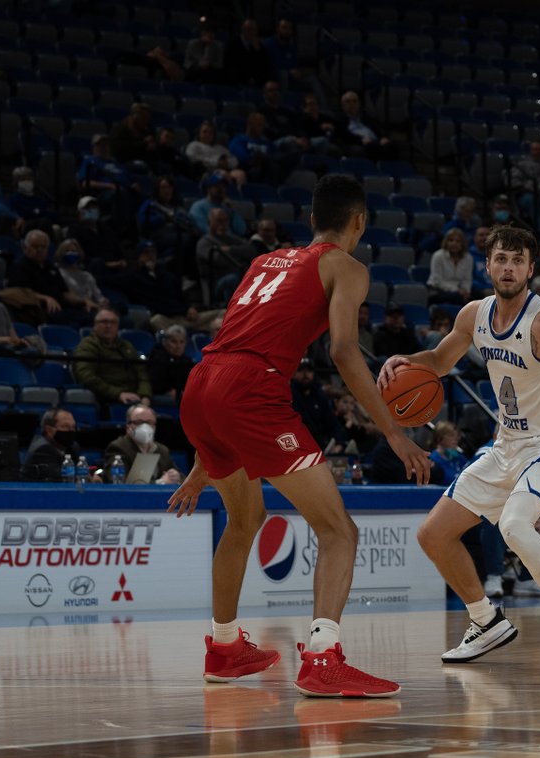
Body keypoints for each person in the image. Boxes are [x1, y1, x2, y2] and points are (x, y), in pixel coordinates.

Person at [167, 174, 429, 697]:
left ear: (311, 220)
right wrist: (396, 435)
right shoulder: (347, 266)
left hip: (201, 384)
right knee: (338, 532)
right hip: (251, 391)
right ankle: (322, 657)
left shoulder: (264, 261)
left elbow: (230, 354)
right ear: (359, 222)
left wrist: (203, 464)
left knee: (244, 521)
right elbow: (343, 351)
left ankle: (223, 647)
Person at [377, 224, 540, 673]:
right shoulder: (474, 314)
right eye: (501, 259)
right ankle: (485, 621)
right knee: (433, 535)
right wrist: (405, 360)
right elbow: (440, 362)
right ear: (487, 265)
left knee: (516, 527)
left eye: (517, 260)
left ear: (530, 268)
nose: (508, 268)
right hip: (504, 445)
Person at [72, 308, 152, 408]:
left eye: (113, 322)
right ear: (95, 325)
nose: (109, 326)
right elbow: (86, 377)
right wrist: (118, 394)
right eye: (104, 322)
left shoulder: (126, 346)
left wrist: (145, 395)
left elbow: (142, 373)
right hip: (106, 398)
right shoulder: (87, 346)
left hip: (135, 396)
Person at [99, 405, 181, 485]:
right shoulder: (118, 447)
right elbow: (118, 482)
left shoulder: (162, 450)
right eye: (139, 422)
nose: (145, 427)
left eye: (149, 422)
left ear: (155, 427)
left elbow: (183, 478)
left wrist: (176, 477)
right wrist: (159, 483)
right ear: (128, 427)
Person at [21, 407, 80, 481]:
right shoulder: (42, 449)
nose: (71, 431)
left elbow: (81, 471)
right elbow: (59, 477)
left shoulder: (72, 447)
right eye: (65, 426)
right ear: (49, 430)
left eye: (73, 427)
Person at [147, 324, 195, 404]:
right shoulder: (158, 356)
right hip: (161, 394)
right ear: (165, 342)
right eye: (174, 342)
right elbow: (154, 382)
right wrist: (169, 390)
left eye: (181, 342)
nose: (178, 346)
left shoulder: (187, 361)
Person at [427, 228, 473, 304]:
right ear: (446, 242)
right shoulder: (438, 256)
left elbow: (467, 279)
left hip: (459, 291)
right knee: (457, 297)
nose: (454, 243)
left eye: (457, 241)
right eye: (451, 240)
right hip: (437, 290)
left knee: (478, 296)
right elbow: (437, 280)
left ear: (462, 244)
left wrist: (466, 291)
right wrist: (457, 290)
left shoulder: (468, 258)